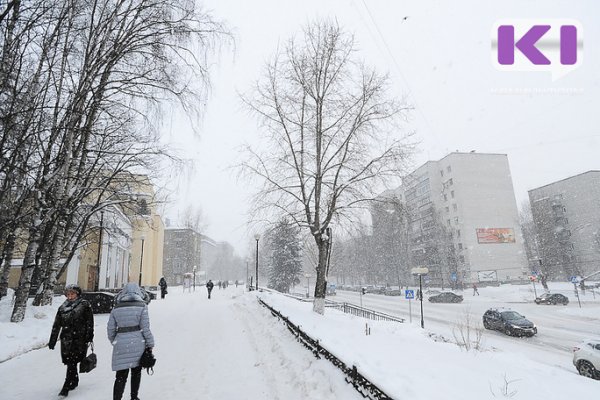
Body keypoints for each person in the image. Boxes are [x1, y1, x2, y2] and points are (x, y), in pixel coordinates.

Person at [108, 283, 155, 400]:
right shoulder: (142, 306)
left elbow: (110, 329)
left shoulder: (116, 308)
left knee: (120, 375)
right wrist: (150, 343)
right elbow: (145, 328)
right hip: (137, 343)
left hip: (121, 344)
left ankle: (117, 398)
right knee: (136, 372)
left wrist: (114, 340)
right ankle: (134, 397)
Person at [49, 284, 94, 397]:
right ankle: (74, 380)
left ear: (77, 294)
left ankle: (66, 386)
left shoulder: (84, 305)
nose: (70, 296)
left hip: (80, 339)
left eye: (72, 293)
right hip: (66, 340)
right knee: (70, 362)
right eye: (68, 294)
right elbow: (56, 325)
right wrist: (52, 340)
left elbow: (89, 322)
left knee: (72, 362)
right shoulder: (62, 307)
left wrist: (89, 336)